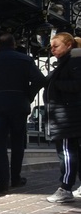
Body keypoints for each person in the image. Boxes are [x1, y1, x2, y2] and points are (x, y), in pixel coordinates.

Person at [0, 33, 46, 193]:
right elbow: (40, 80)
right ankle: (16, 178)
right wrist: (28, 95)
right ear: (14, 44)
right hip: (19, 105)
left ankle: (3, 182)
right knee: (18, 143)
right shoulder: (25, 60)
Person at [43, 32, 81, 203]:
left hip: (66, 117)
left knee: (66, 153)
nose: (52, 49)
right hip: (67, 116)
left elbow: (78, 84)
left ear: (68, 45)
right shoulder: (67, 62)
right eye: (51, 46)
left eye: (56, 46)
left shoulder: (72, 62)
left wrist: (56, 85)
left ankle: (65, 188)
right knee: (73, 152)